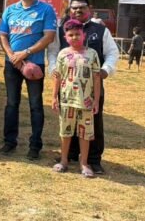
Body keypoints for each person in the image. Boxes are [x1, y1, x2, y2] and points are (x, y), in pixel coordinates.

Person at [47, 0, 119, 174]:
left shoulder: (100, 30)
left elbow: (112, 52)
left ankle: (92, 160)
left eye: (82, 7)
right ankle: (69, 156)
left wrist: (105, 70)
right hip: (68, 85)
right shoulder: (62, 29)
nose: (78, 11)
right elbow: (53, 52)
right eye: (74, 8)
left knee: (94, 122)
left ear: (90, 8)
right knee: (68, 121)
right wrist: (54, 69)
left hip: (91, 86)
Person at [0, 0, 57, 160]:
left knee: (35, 105)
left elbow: (49, 37)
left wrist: (25, 53)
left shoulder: (46, 10)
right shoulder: (10, 10)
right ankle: (9, 142)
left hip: (34, 64)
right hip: (12, 64)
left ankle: (35, 146)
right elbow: (3, 35)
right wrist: (11, 55)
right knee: (11, 103)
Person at [51, 19, 101, 178]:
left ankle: (84, 163)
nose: (74, 37)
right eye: (71, 35)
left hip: (86, 102)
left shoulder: (92, 54)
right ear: (65, 37)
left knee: (85, 134)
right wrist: (54, 97)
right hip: (67, 101)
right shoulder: (62, 54)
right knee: (65, 132)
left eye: (77, 34)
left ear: (83, 35)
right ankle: (64, 160)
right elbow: (58, 77)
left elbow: (97, 78)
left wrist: (96, 100)